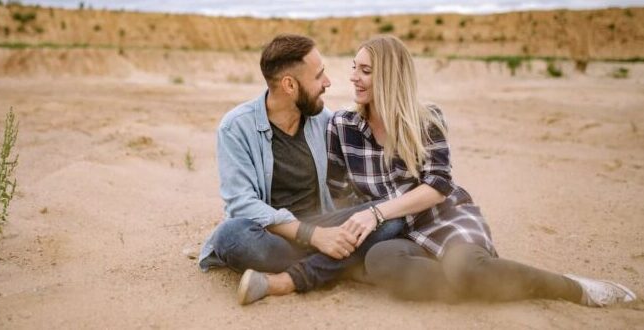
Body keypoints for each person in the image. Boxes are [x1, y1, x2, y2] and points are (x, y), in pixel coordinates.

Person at [326, 35, 636, 307]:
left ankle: (573, 288)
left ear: (391, 77)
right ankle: (476, 285)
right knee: (381, 261)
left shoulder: (427, 119)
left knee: (468, 269)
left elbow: (438, 186)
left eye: (365, 71)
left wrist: (377, 213)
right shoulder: (342, 126)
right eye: (354, 67)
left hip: (443, 217)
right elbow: (337, 193)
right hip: (400, 233)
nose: (354, 77)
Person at [198, 34, 404, 305]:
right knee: (231, 236)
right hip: (273, 236)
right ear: (289, 85)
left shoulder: (324, 120)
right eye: (319, 76)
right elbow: (241, 204)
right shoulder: (236, 128)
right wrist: (314, 237)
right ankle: (342, 262)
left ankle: (294, 277)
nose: (327, 83)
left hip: (325, 224)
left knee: (388, 216)